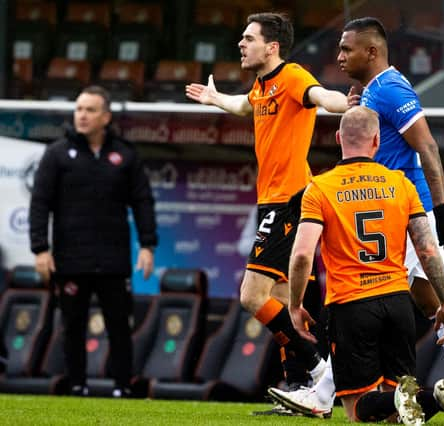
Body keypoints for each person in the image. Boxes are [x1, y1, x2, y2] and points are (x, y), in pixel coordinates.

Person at [270, 16, 444, 417]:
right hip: (392, 206)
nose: (338, 56)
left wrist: (441, 210)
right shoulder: (371, 91)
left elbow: (427, 146)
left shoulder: (391, 89)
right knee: (430, 301)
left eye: (346, 49)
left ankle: (323, 394)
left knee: (375, 296)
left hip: (406, 210)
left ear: (371, 52)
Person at [185, 12, 348, 406]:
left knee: (251, 296)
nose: (240, 44)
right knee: (282, 298)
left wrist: (343, 102)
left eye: (248, 38)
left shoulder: (292, 76)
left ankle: (320, 370)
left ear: (271, 46)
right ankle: (301, 387)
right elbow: (246, 105)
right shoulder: (262, 85)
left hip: (289, 199)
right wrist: (214, 99)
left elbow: (320, 96)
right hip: (273, 201)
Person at [29, 85, 157, 397]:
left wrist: (147, 245)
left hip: (113, 259)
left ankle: (123, 386)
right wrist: (40, 249)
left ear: (106, 116)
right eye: (79, 109)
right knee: (73, 326)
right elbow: (40, 203)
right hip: (71, 258)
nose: (82, 116)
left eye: (90, 110)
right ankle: (76, 385)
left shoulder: (125, 154)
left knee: (119, 326)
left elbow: (142, 201)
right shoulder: (57, 154)